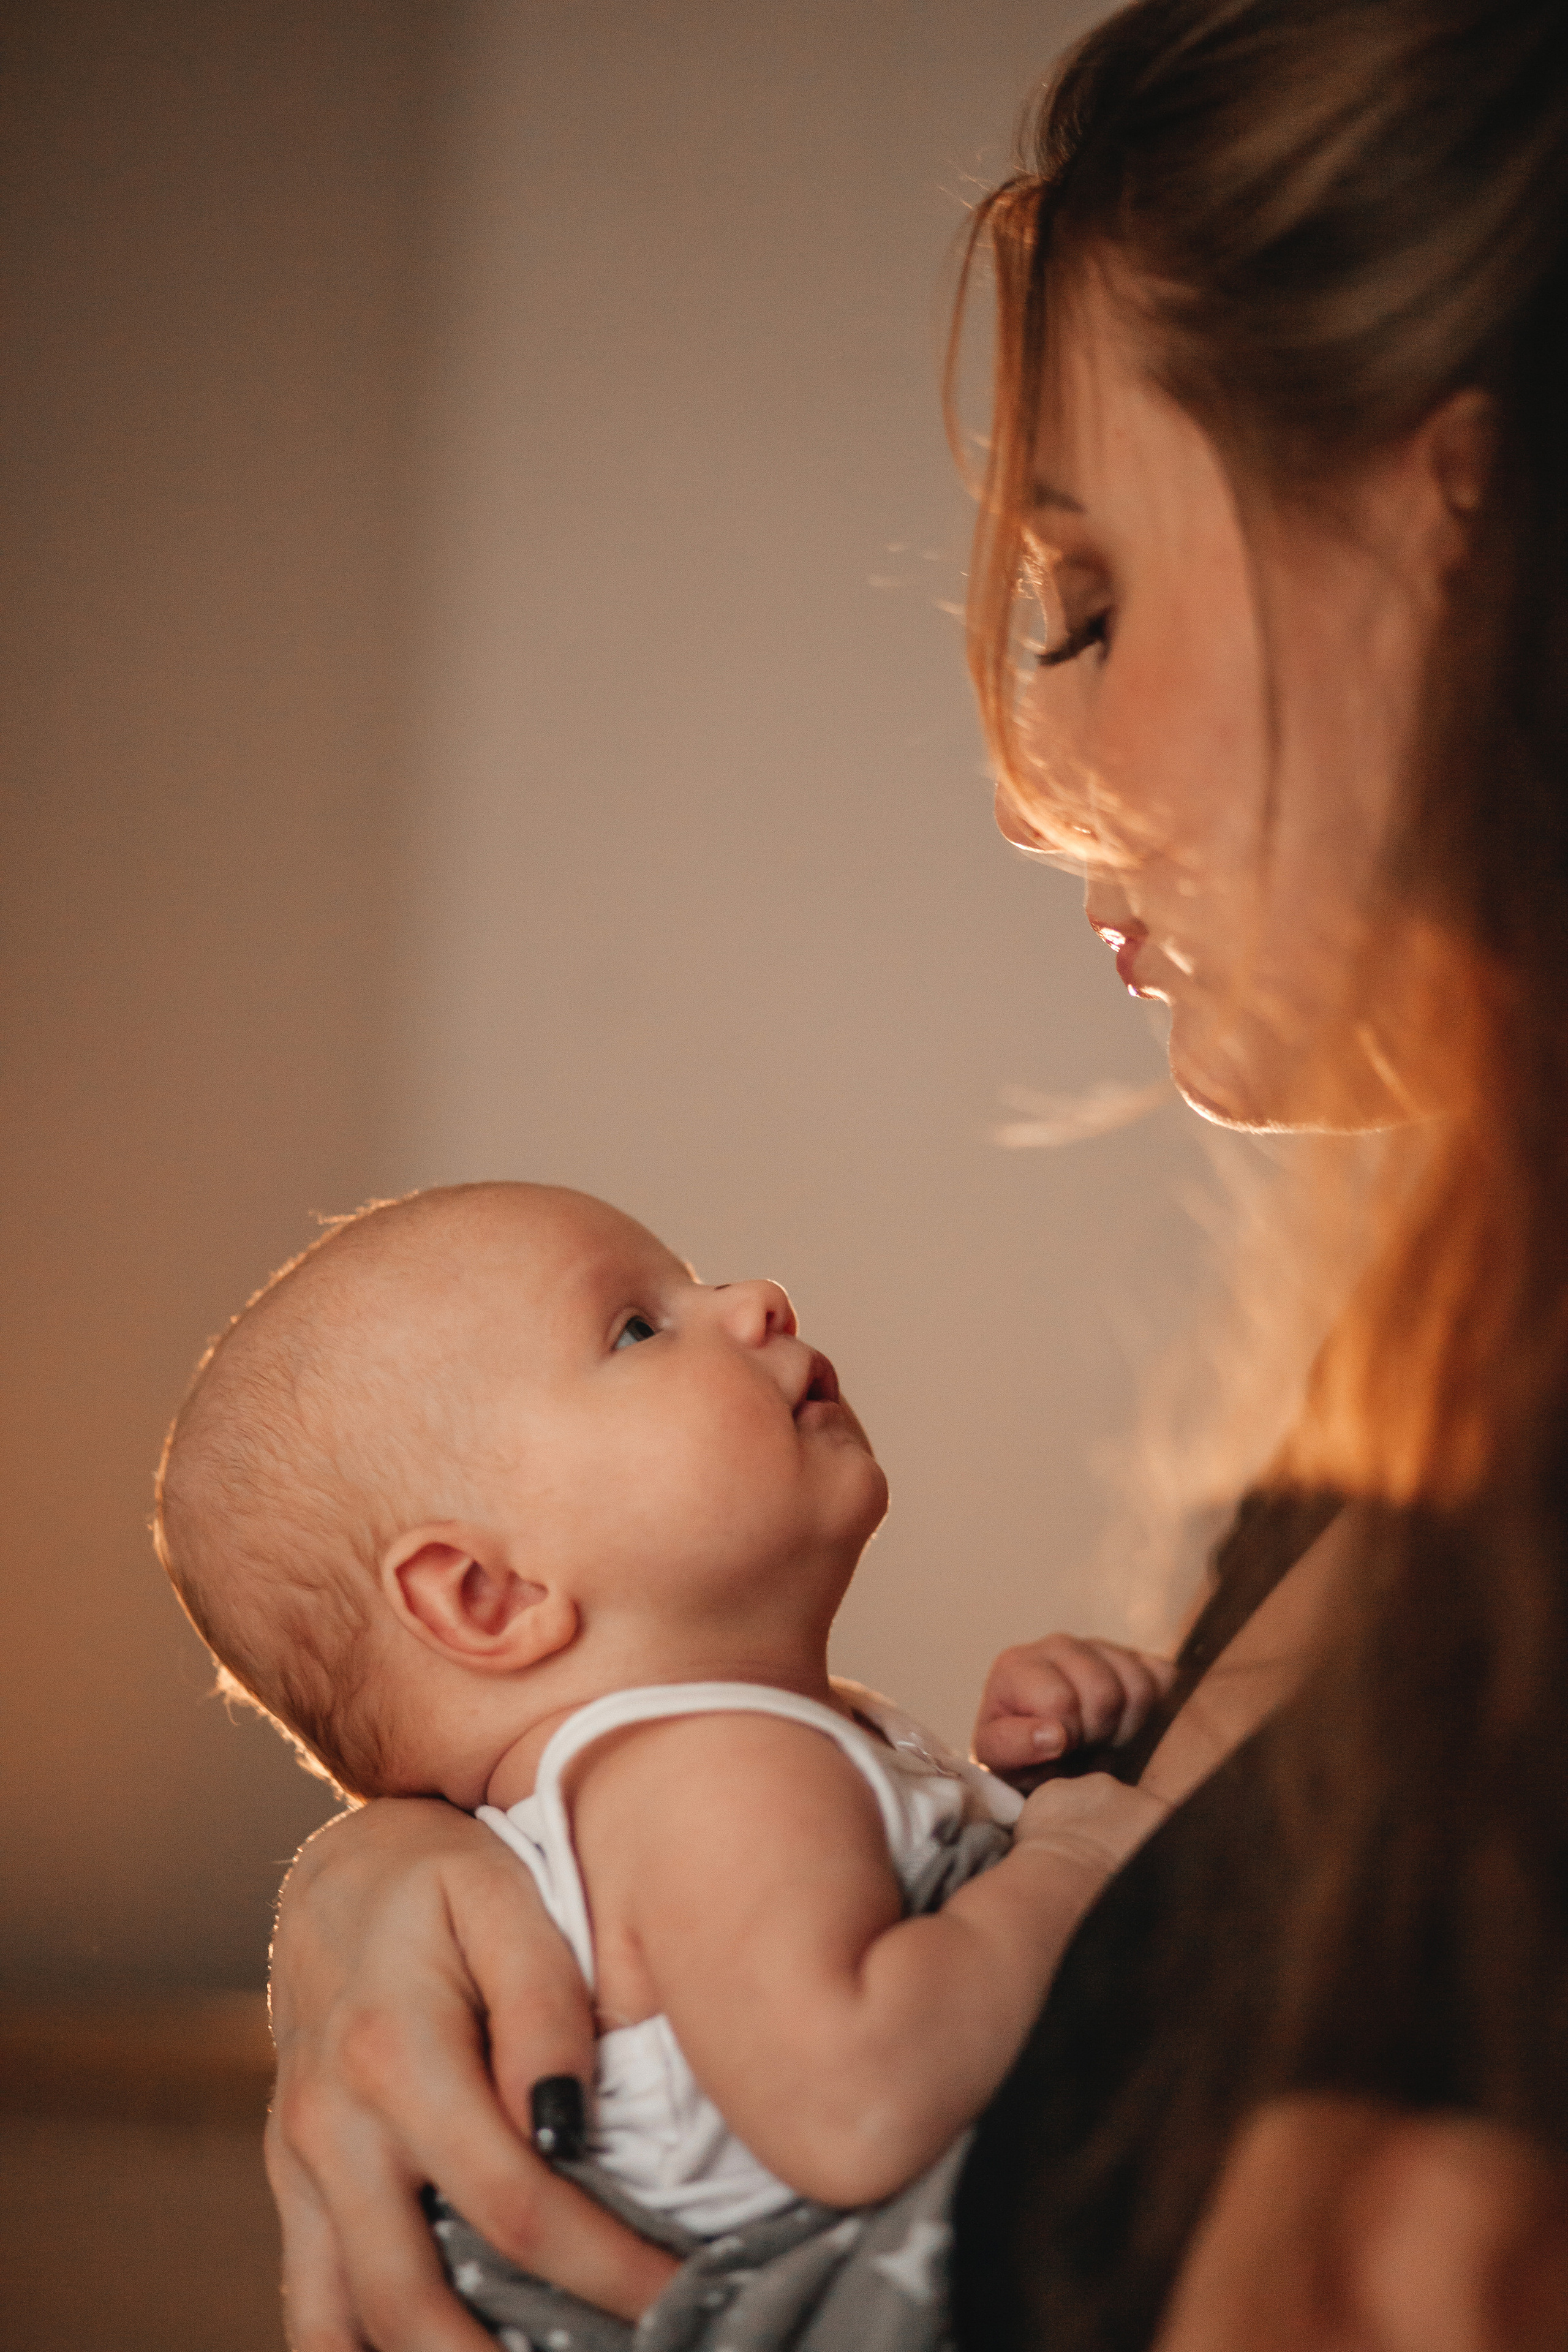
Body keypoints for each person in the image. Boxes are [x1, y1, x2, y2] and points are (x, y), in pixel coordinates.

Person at [258, 2, 1568, 2347]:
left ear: (1443, 532)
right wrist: (445, 1837)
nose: (1021, 781)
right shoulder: (1368, 1474)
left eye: (1091, 601)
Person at [156, 1182, 1172, 2343]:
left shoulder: (702, 1776)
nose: (756, 1301)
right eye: (638, 1326)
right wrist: (1074, 1863)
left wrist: (1038, 1786)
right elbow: (858, 2100)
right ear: (488, 1595)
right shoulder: (711, 1772)